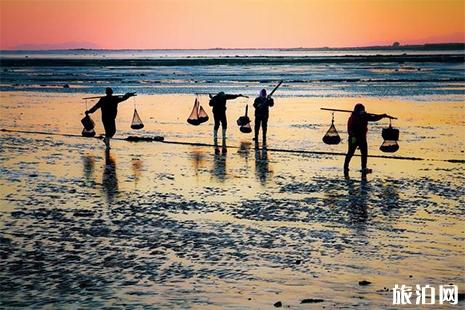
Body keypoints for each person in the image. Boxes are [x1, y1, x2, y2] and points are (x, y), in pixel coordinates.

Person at [343, 103, 389, 176]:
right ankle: (345, 167)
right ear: (357, 110)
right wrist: (353, 136)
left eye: (363, 110)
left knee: (364, 153)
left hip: (362, 138)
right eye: (361, 110)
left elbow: (374, 118)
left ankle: (364, 168)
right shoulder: (353, 117)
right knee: (350, 153)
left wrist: (382, 116)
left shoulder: (365, 116)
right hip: (353, 138)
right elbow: (350, 128)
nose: (362, 111)